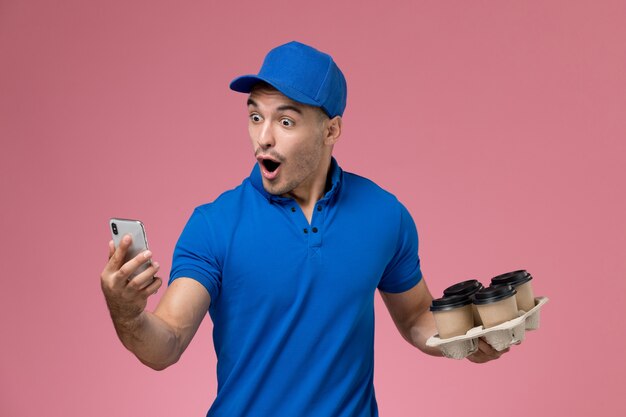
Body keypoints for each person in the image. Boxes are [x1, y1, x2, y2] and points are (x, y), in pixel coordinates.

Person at [101, 41, 507, 417]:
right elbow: (166, 343)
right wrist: (128, 313)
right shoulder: (214, 226)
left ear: (331, 130)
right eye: (256, 116)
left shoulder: (384, 214)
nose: (263, 137)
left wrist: (465, 340)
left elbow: (417, 315)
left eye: (286, 122)